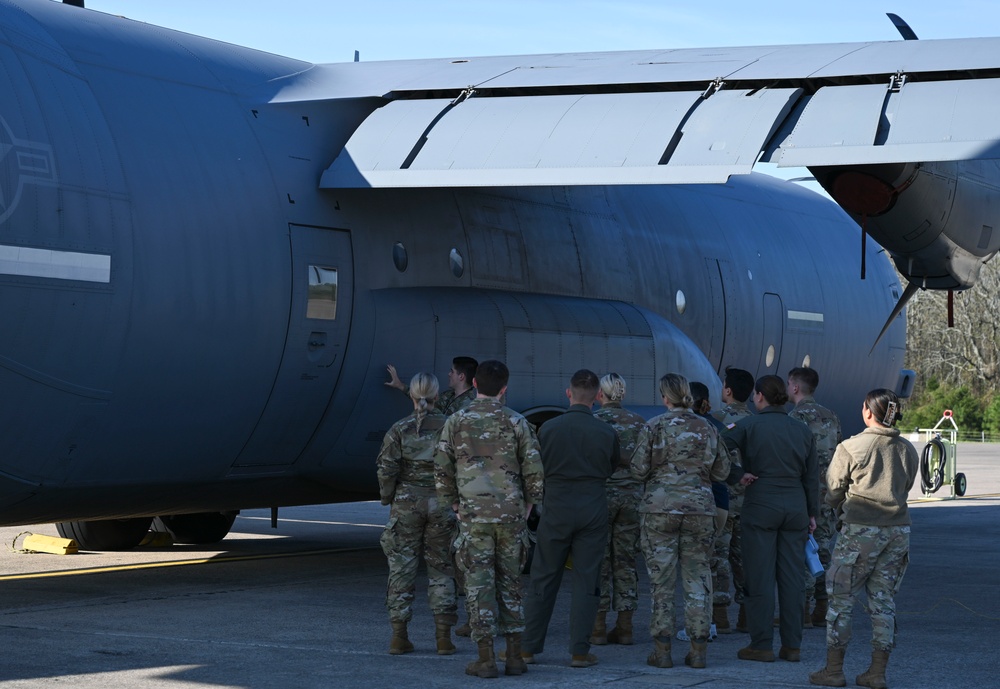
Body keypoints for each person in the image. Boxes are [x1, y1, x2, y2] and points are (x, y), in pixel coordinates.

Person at [434, 360, 544, 679]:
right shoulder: (517, 422)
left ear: (475, 385)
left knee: (478, 584)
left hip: (473, 516)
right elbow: (534, 470)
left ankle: (485, 659)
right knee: (510, 585)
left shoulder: (456, 421)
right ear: (505, 389)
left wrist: (452, 503)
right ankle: (514, 657)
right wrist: (528, 505)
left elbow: (441, 467)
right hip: (510, 515)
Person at [809, 389, 918, 689]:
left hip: (860, 531)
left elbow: (832, 490)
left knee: (841, 599)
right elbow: (906, 485)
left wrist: (841, 503)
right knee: (883, 602)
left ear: (869, 412)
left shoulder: (852, 447)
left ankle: (833, 670)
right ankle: (877, 672)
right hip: (898, 531)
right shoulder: (907, 449)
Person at [631, 373, 730, 670]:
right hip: (700, 510)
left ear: (665, 398)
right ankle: (698, 651)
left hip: (659, 510)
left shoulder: (654, 426)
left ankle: (662, 652)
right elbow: (723, 471)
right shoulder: (707, 427)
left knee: (661, 582)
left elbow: (637, 469)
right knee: (698, 578)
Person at [523, 369, 618, 668]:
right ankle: (579, 650)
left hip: (557, 508)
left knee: (544, 576)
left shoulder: (548, 429)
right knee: (587, 578)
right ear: (598, 397)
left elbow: (538, 466)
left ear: (569, 393)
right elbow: (612, 467)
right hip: (592, 507)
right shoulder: (606, 432)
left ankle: (527, 647)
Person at [723, 375, 818, 663]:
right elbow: (812, 477)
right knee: (792, 579)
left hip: (761, 503)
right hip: (795, 507)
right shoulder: (801, 429)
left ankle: (761, 644)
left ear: (760, 396)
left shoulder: (748, 425)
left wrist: (736, 476)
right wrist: (811, 513)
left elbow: (714, 448)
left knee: (760, 577)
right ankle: (792, 646)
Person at [376, 373, 458, 656]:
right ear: (436, 396)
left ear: (412, 397)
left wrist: (388, 498)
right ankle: (443, 638)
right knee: (442, 568)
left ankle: (399, 636)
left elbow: (386, 470)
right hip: (442, 505)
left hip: (407, 504)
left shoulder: (399, 429)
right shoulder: (451, 427)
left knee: (401, 568)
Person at [590, 373, 647, 648]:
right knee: (625, 562)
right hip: (632, 499)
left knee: (599, 562)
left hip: (601, 498)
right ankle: (625, 629)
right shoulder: (639, 423)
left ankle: (598, 628)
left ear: (600, 394)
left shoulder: (594, 421)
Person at [787, 367, 843, 628]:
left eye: (790, 384)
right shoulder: (831, 416)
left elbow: (792, 458)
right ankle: (823, 607)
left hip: (806, 494)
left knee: (804, 551)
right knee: (823, 551)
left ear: (795, 387)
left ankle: (803, 610)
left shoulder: (795, 417)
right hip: (829, 493)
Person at [711, 366, 755, 633]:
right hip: (749, 502)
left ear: (727, 390)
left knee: (718, 557)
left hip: (723, 501)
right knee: (744, 559)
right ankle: (746, 616)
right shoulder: (756, 421)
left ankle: (720, 616)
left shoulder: (715, 419)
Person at [386, 357, 478, 416]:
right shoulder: (448, 395)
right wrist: (400, 385)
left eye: (452, 371)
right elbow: (423, 398)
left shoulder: (469, 406)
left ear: (461, 376)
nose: (449, 374)